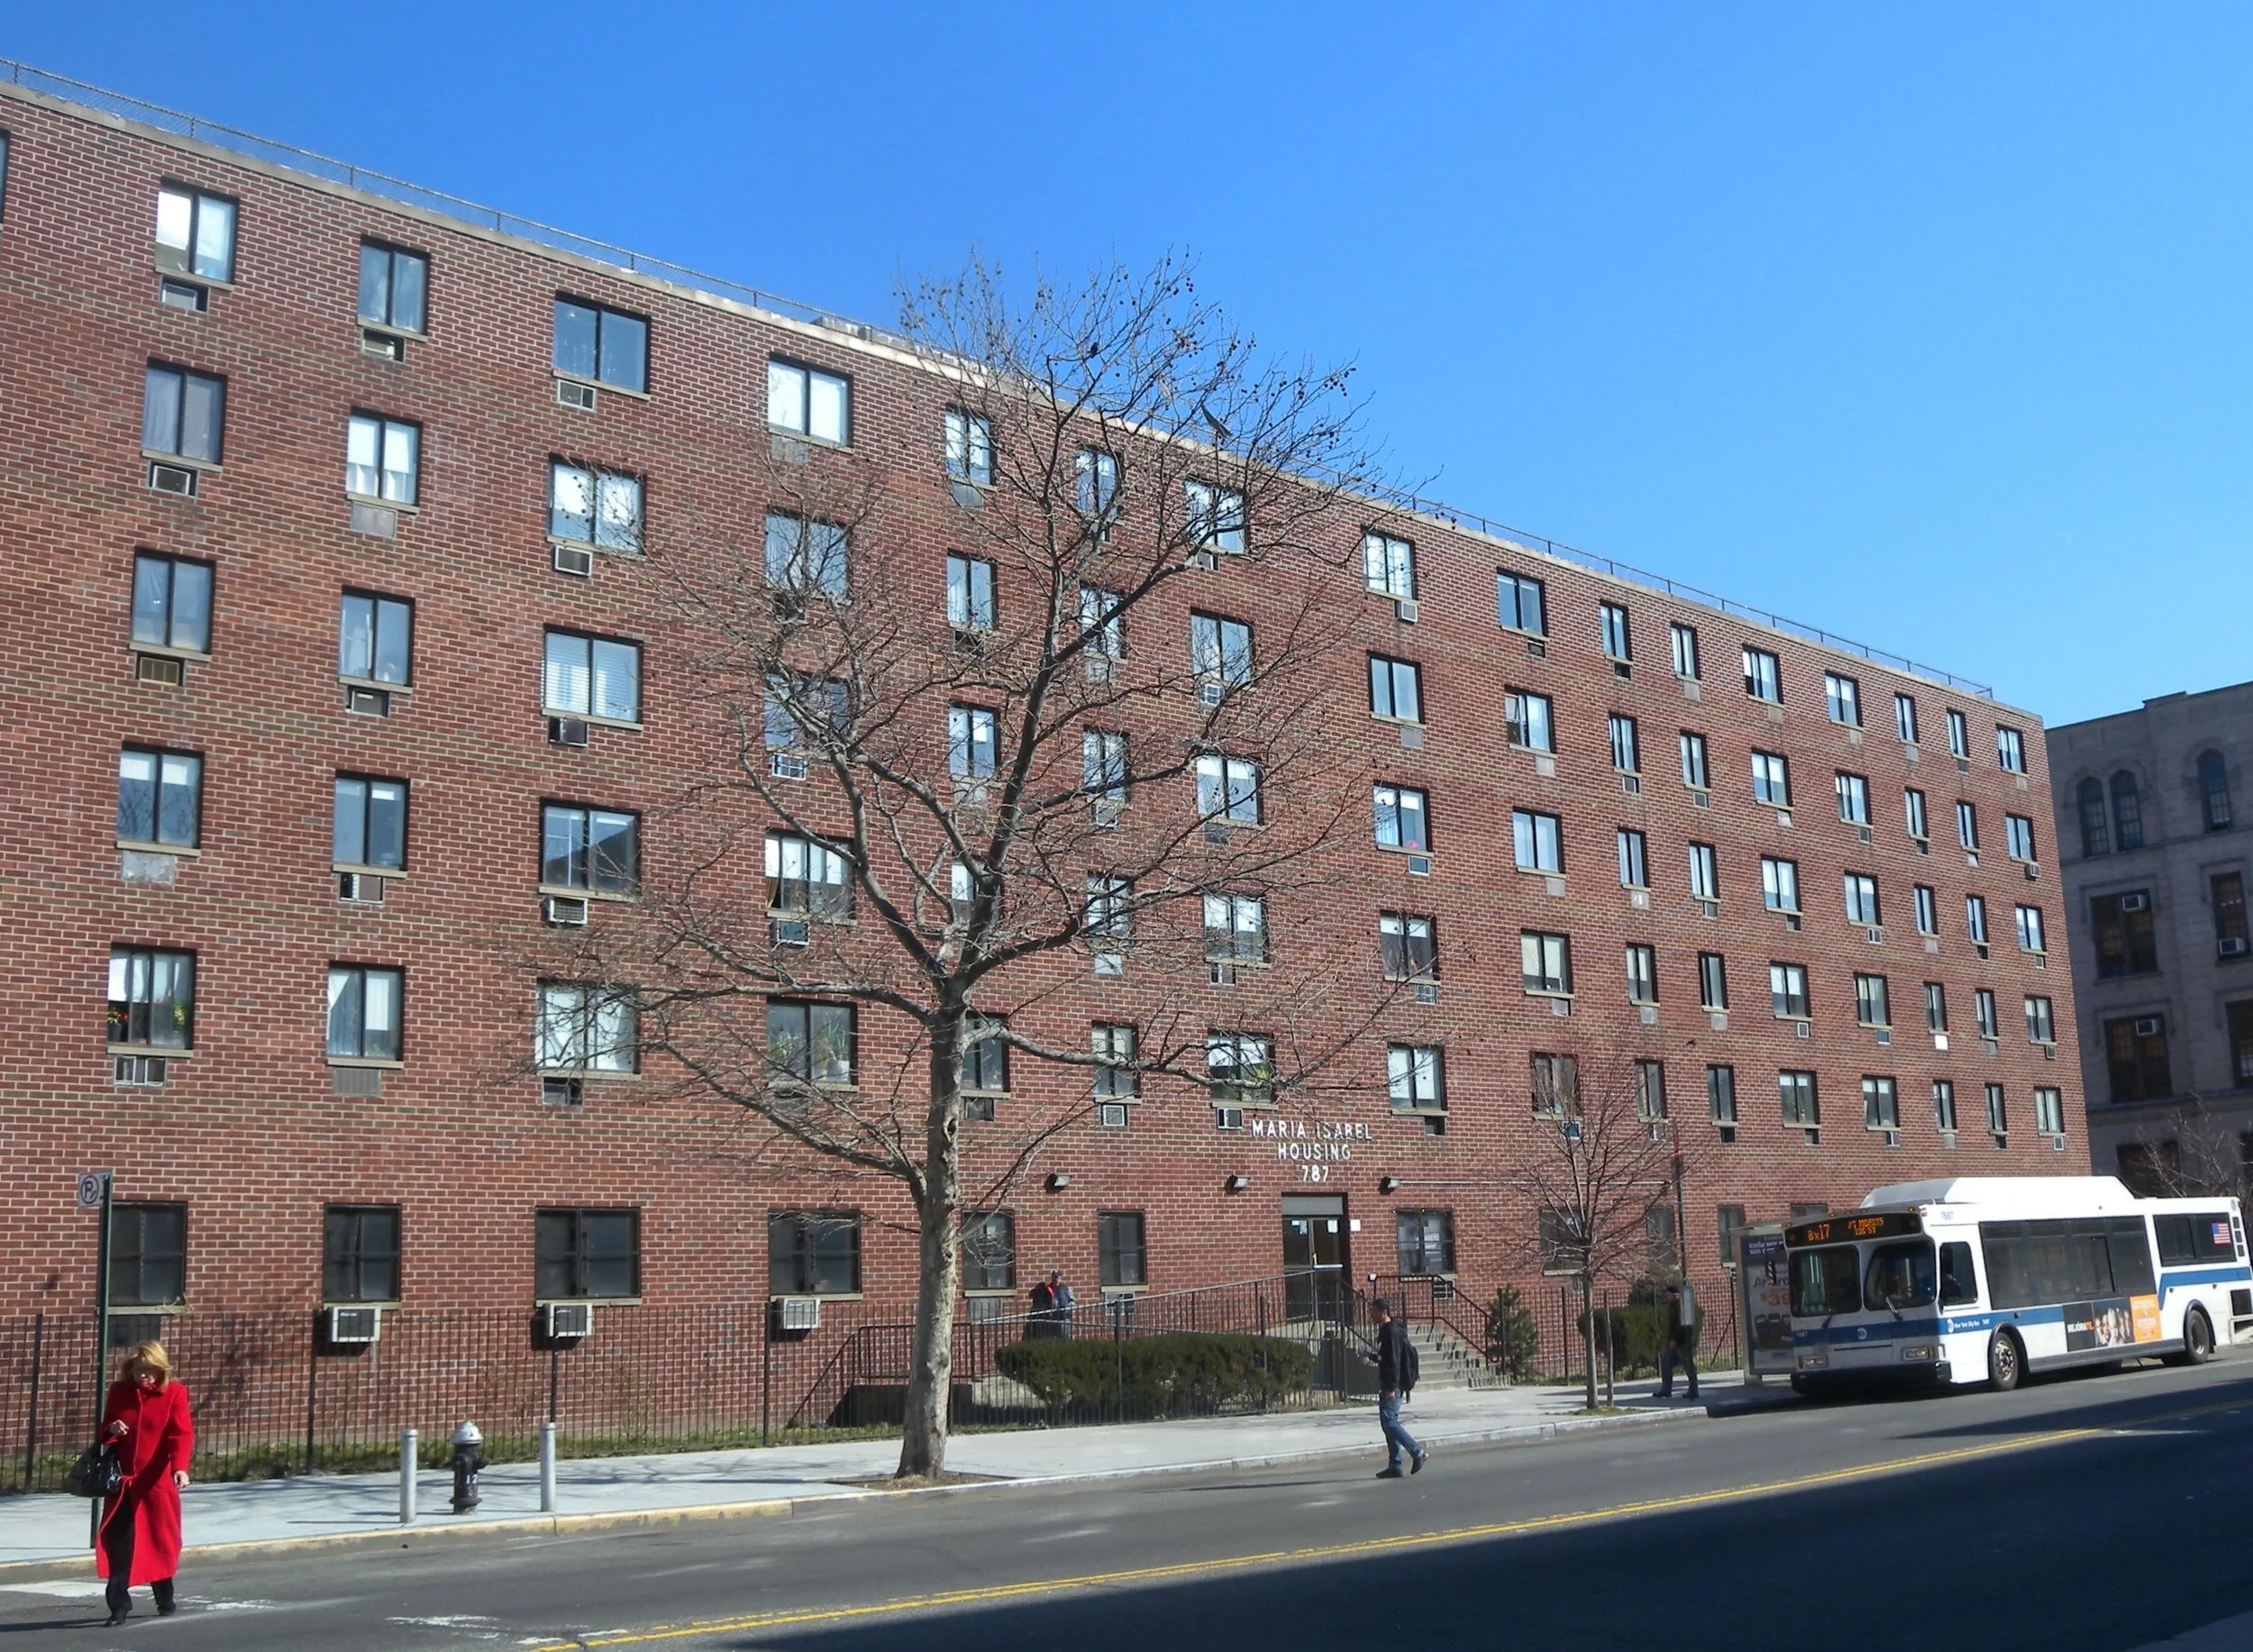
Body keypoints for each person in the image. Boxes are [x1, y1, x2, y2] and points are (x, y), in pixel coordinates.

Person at [96, 1340, 194, 1625]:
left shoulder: (174, 1393)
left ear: (160, 1370)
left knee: (159, 1543)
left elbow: (181, 1434)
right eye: (139, 1369)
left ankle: (165, 1597)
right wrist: (112, 1430)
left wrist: (180, 1468)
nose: (144, 1376)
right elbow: (105, 1432)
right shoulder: (119, 1392)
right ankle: (118, 1608)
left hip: (156, 1483)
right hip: (124, 1486)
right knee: (119, 1546)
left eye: (150, 1370)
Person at [1365, 1299, 1428, 1478]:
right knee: (1387, 1423)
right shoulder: (1389, 1331)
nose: (1371, 1315)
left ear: (1383, 1311)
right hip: (1392, 1382)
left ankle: (1417, 1452)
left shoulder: (1391, 1332)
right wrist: (1369, 1355)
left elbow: (1393, 1361)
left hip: (1394, 1384)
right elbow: (1385, 1358)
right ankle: (1395, 1464)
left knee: (1390, 1421)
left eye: (1373, 1311)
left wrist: (1391, 1387)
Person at [1656, 1282, 1701, 1401]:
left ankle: (1693, 1390)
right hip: (1673, 1341)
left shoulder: (1681, 1307)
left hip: (1681, 1342)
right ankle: (1666, 1389)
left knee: (1688, 1365)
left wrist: (1674, 1339)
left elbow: (1681, 1325)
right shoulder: (1671, 1307)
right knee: (1666, 1363)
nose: (1667, 1297)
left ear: (1675, 1296)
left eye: (1668, 1295)